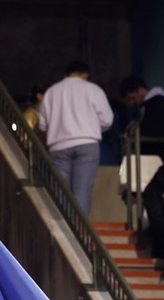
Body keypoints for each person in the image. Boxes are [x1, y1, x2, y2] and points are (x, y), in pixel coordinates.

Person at [38, 61, 114, 215]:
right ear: (85, 74)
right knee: (82, 192)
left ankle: (61, 233)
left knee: (59, 192)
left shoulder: (52, 92)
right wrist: (91, 127)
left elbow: (42, 125)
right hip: (87, 143)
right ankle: (79, 234)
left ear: (66, 74)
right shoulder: (93, 89)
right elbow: (107, 119)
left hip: (58, 146)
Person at [120, 76, 164, 141]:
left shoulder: (158, 103)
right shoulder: (148, 104)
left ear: (140, 89)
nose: (131, 103)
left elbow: (156, 130)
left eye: (132, 98)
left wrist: (134, 134)